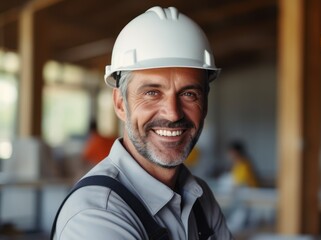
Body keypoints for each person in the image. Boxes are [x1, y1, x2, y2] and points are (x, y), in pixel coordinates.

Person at [53, 6, 232, 239]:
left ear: (205, 105)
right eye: (152, 93)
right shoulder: (96, 215)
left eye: (189, 94)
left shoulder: (200, 198)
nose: (172, 114)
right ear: (120, 104)